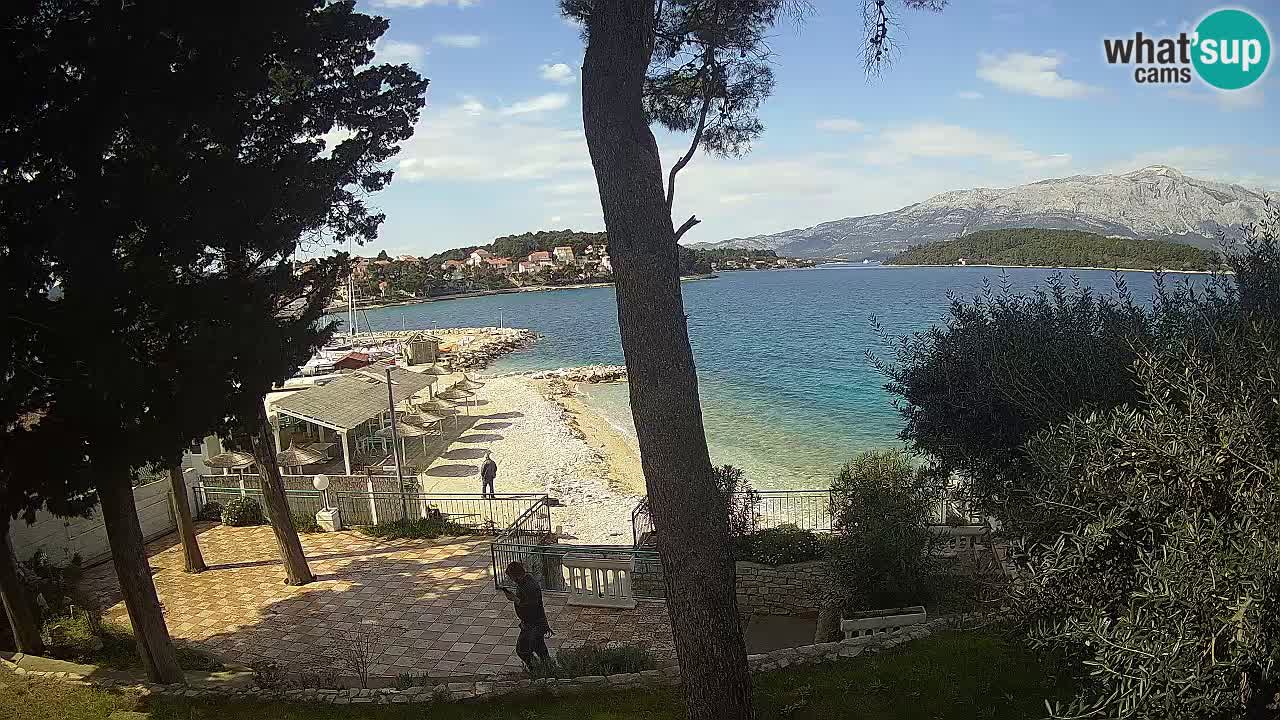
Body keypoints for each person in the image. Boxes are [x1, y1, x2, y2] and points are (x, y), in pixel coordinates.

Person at [501, 561, 551, 671]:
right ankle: (548, 670)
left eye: (512, 577)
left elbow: (531, 607)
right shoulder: (526, 582)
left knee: (522, 650)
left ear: (517, 576)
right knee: (540, 649)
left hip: (532, 625)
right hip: (536, 623)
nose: (512, 580)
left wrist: (515, 599)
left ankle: (537, 670)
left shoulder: (529, 586)